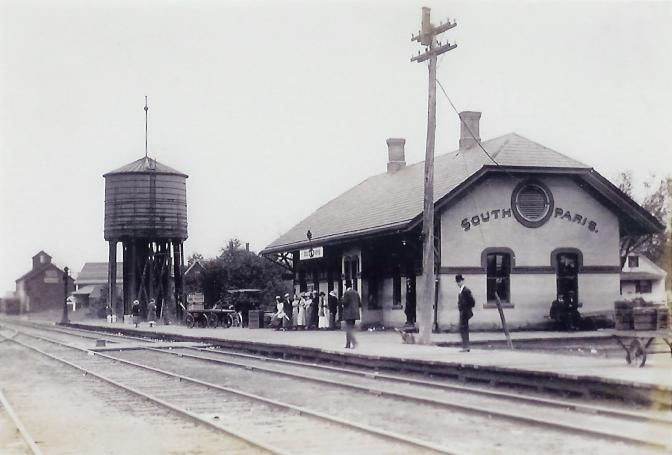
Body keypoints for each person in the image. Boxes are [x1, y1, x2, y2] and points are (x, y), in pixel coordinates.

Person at [455, 274, 475, 352]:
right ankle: (465, 346)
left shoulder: (466, 290)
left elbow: (472, 302)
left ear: (462, 281)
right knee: (462, 328)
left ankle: (466, 346)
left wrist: (467, 308)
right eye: (458, 282)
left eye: (460, 281)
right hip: (462, 312)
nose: (458, 283)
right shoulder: (461, 290)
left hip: (465, 312)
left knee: (464, 328)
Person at [341, 281, 361, 349]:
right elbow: (360, 303)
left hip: (348, 314)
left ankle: (352, 343)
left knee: (348, 329)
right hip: (355, 314)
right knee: (350, 328)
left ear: (346, 286)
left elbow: (345, 302)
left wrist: (342, 299)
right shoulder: (356, 292)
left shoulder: (346, 293)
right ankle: (348, 344)